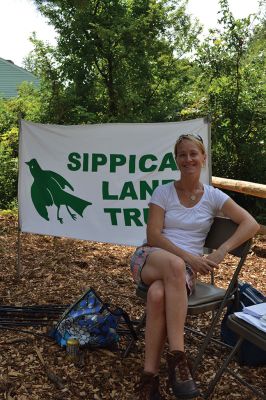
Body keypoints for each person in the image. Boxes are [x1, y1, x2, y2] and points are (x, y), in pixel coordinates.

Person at [130, 133, 260, 400]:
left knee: (157, 295)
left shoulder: (213, 196)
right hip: (152, 258)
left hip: (180, 274)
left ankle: (149, 378)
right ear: (176, 160)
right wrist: (190, 258)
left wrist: (222, 250)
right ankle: (179, 358)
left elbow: (251, 224)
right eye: (182, 154)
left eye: (193, 153)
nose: (188, 159)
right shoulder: (163, 192)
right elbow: (154, 236)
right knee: (176, 265)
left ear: (203, 157)